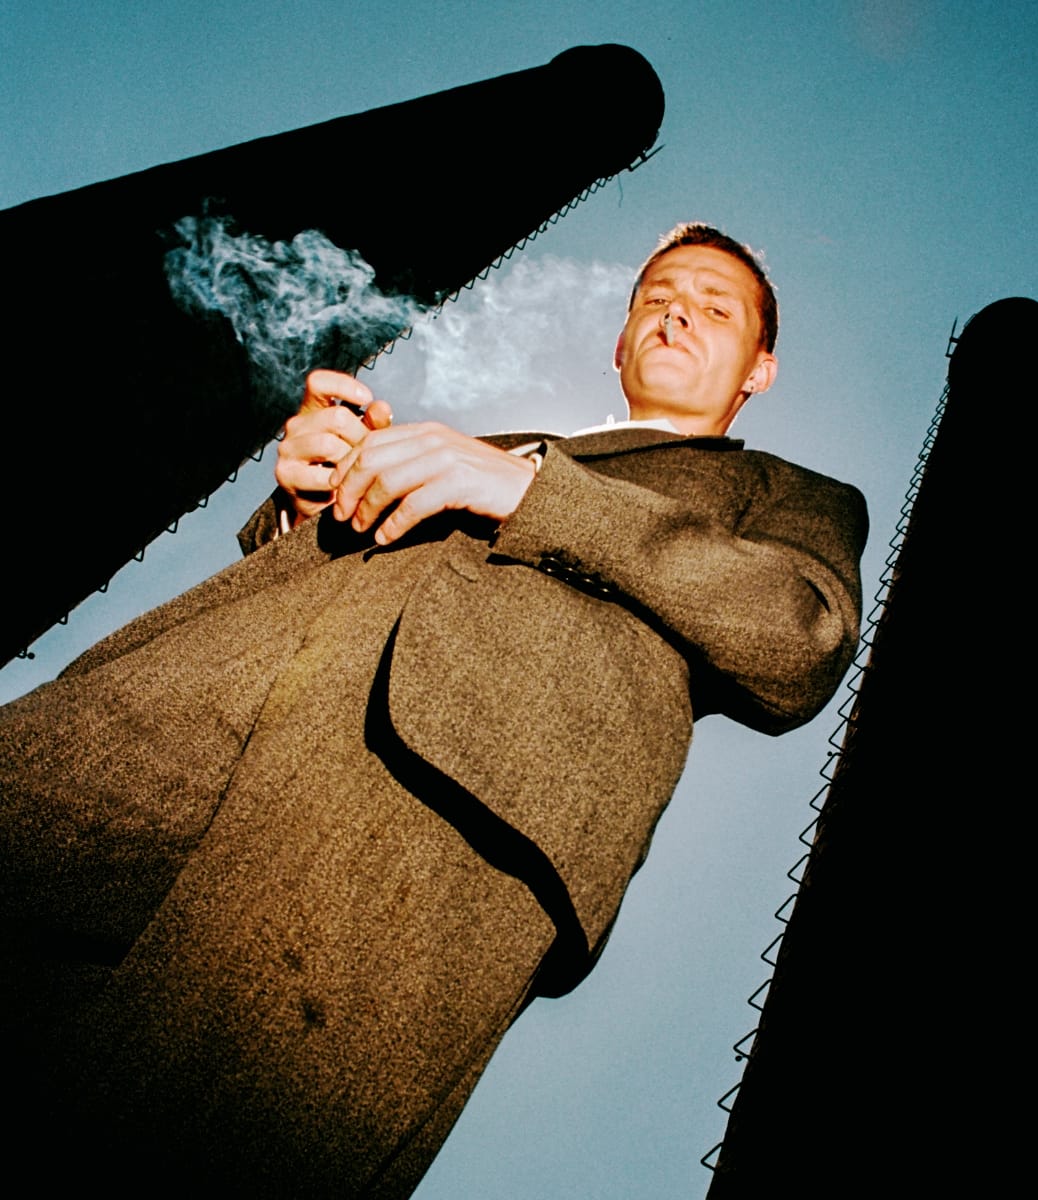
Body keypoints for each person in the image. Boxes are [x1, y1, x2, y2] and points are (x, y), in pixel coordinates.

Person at [0, 224, 867, 1196]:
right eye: (657, 296)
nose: (677, 312)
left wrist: (530, 493)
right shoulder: (472, 449)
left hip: (441, 807)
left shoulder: (789, 495)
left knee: (188, 1146)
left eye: (717, 308)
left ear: (759, 369)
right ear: (620, 343)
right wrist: (308, 500)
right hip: (179, 713)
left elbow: (802, 636)